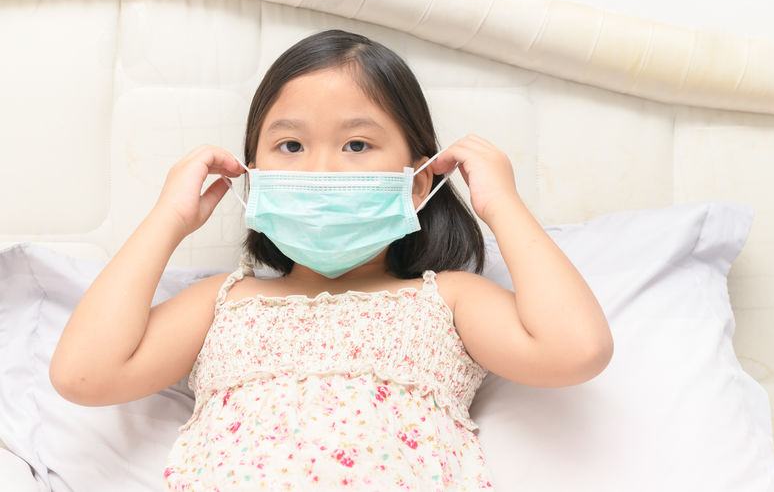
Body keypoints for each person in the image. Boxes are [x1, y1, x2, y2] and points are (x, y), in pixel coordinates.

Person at [50, 29, 613, 489]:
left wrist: (502, 205)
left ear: (418, 182)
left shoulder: (447, 300)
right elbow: (82, 376)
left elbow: (576, 350)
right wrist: (167, 220)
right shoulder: (223, 304)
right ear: (254, 178)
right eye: (291, 146)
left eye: (357, 145)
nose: (322, 170)